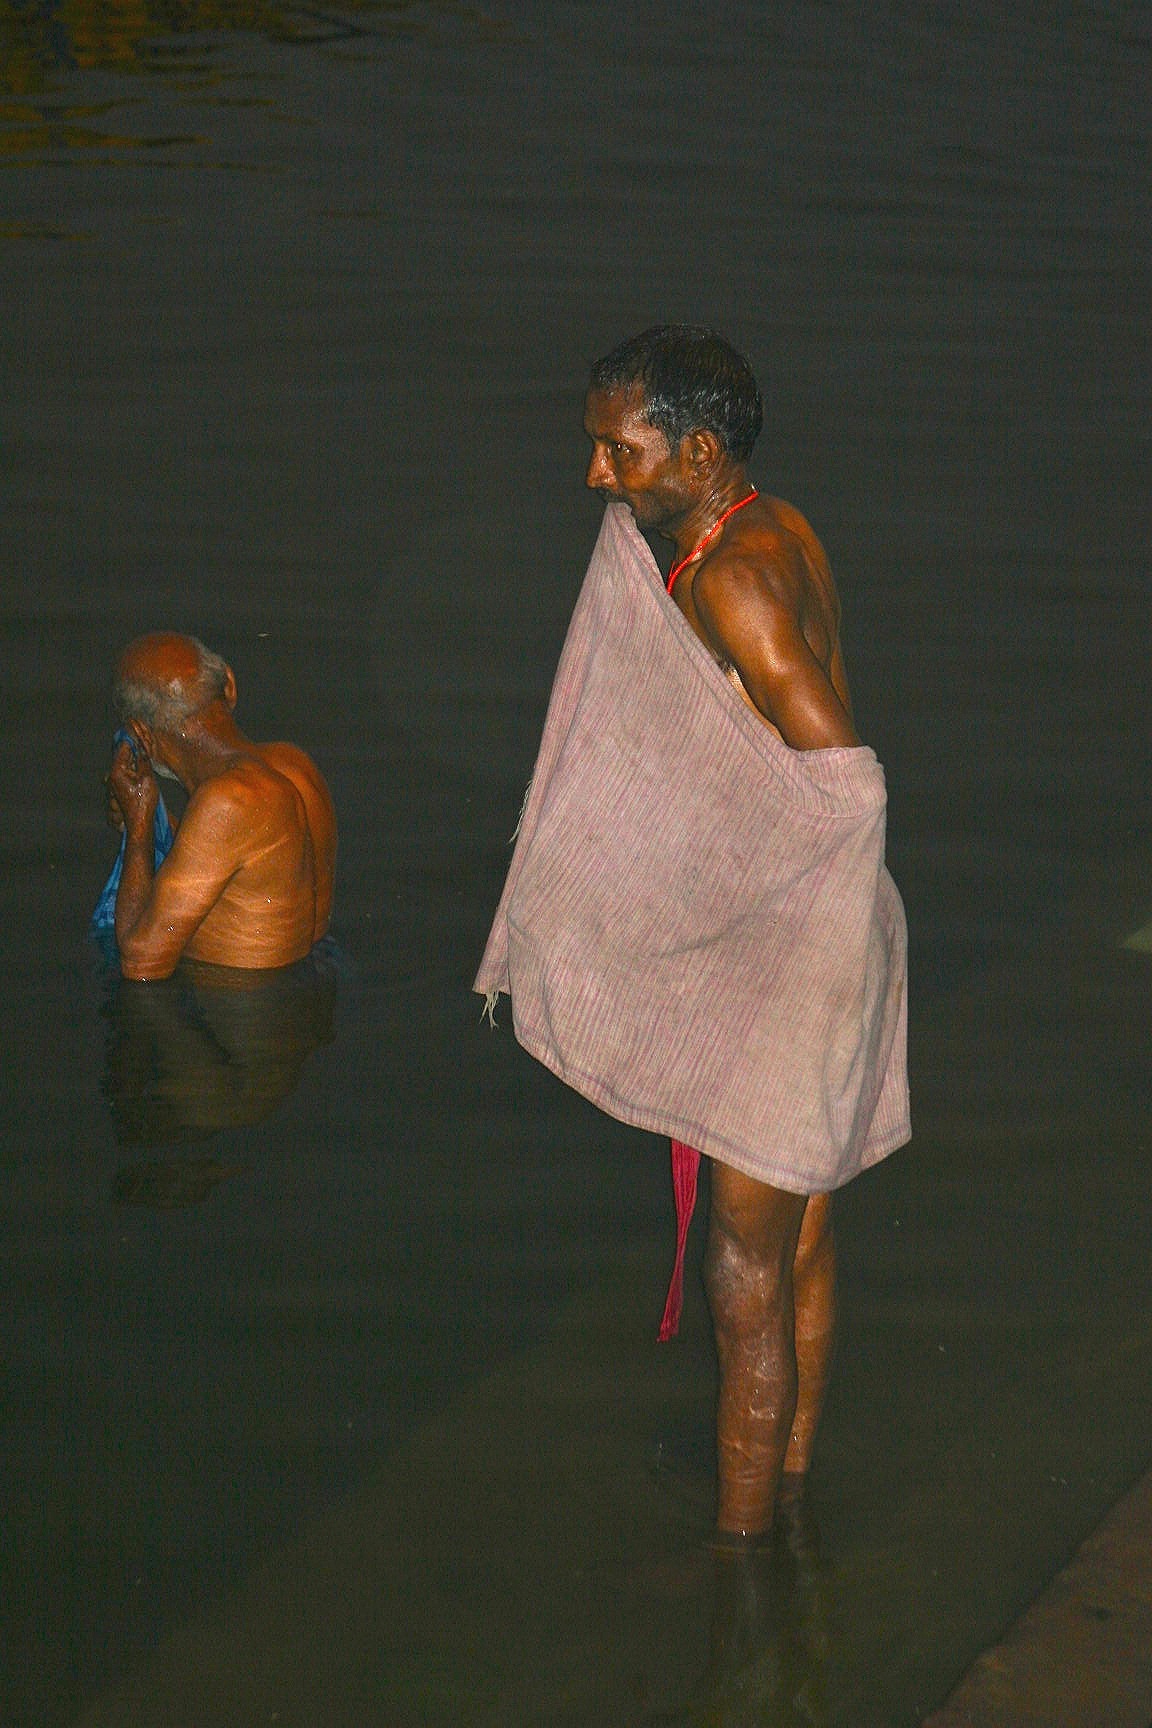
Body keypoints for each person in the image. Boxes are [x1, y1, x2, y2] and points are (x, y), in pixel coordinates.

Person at [476, 325, 909, 1547]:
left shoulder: (731, 577)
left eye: (621, 452)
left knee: (746, 1275)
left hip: (799, 950)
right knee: (805, 1235)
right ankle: (795, 1482)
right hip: (841, 936)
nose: (597, 477)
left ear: (701, 450)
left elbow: (845, 781)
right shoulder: (775, 524)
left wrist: (733, 918)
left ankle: (740, 1560)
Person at [104, 633, 337, 981]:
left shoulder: (225, 802)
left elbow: (141, 963)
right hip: (311, 983)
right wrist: (155, 818)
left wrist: (139, 824)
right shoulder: (295, 766)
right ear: (229, 684)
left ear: (142, 735)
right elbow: (229, 859)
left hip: (244, 1020)